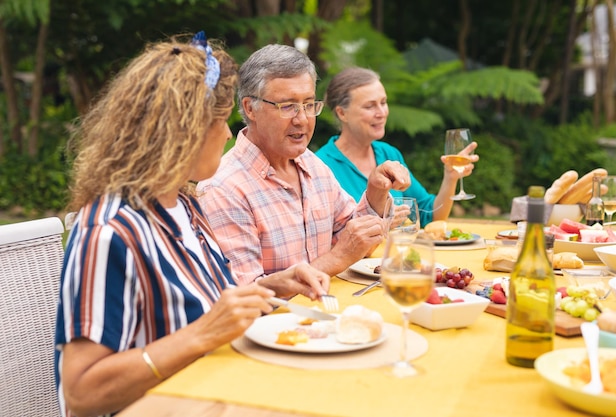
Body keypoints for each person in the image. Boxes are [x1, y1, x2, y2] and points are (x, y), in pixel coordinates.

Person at [55, 33, 330, 417]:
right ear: (183, 133)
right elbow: (80, 393)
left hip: (219, 393)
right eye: (219, 121)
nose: (228, 133)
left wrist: (271, 285)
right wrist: (202, 335)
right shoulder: (109, 232)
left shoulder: (185, 204)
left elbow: (214, 309)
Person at [196, 45, 410, 284]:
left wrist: (376, 192)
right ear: (250, 108)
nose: (302, 119)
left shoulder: (310, 163)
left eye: (309, 105)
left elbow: (353, 239)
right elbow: (245, 295)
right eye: (287, 106)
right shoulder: (223, 188)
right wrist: (336, 259)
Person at [316, 67, 479, 227]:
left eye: (383, 102)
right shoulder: (320, 166)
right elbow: (324, 236)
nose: (381, 113)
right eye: (369, 106)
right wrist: (383, 223)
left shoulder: (389, 154)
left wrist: (450, 178)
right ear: (342, 113)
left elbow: (430, 214)